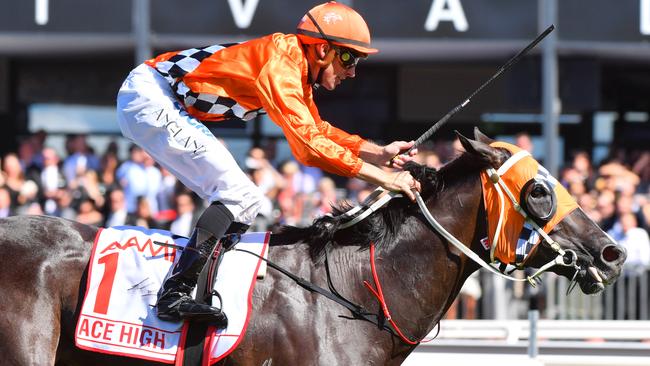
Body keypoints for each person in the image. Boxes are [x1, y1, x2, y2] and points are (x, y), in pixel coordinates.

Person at [116, 1, 420, 326]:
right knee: (239, 195)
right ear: (321, 50)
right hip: (151, 96)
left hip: (156, 98)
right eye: (348, 57)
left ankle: (195, 289)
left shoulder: (295, 68)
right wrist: (384, 179)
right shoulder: (281, 62)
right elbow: (308, 148)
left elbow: (317, 129)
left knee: (248, 201)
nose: (353, 70)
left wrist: (377, 153)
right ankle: (174, 294)